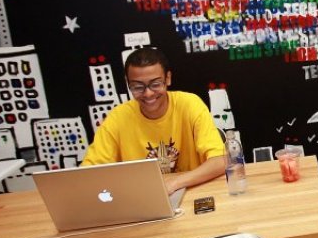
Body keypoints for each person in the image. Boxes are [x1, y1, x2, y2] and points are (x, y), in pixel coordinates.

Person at [82, 47, 225, 194]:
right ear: (128, 83)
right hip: (140, 195)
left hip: (192, 191)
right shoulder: (117, 118)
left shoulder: (190, 104)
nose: (148, 93)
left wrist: (175, 183)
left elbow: (220, 161)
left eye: (155, 84)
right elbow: (88, 173)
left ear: (168, 78)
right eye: (138, 87)